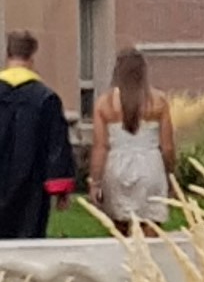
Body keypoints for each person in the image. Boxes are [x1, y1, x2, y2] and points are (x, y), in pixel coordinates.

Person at [88, 49, 175, 236]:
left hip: (116, 167)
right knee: (152, 227)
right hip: (150, 166)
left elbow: (100, 147)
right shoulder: (158, 101)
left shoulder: (105, 103)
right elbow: (167, 147)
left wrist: (95, 181)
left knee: (119, 231)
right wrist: (170, 175)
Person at [0, 32, 75, 240]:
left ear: (7, 55)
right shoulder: (45, 98)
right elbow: (56, 146)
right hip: (31, 186)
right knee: (28, 241)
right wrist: (61, 188)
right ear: (32, 58)